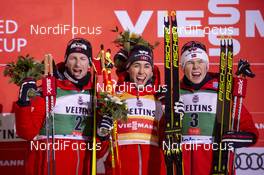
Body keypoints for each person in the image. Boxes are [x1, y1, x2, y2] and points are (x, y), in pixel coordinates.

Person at [15, 38, 105, 175]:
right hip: (49, 168)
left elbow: (98, 152)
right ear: (65, 60)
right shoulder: (50, 89)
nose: (77, 63)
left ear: (89, 64)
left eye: (83, 58)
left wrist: (102, 136)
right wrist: (24, 103)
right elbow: (26, 133)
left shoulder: (96, 96)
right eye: (73, 58)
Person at [98, 44, 184, 175]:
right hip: (120, 169)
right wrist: (102, 135)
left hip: (153, 168)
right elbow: (99, 150)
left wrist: (175, 120)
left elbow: (166, 143)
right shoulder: (114, 98)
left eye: (146, 66)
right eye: (136, 65)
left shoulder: (159, 100)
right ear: (128, 68)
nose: (141, 72)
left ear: (151, 71)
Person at [179, 41, 259, 175]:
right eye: (190, 62)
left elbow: (250, 131)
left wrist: (236, 138)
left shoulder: (223, 93)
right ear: (182, 66)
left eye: (200, 62)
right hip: (183, 163)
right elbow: (162, 134)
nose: (195, 67)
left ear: (207, 64)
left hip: (215, 161)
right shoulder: (175, 92)